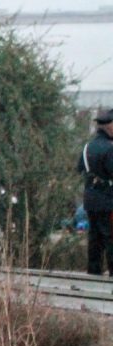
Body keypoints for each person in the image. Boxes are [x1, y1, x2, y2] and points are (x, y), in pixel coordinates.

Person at [79, 108, 113, 275]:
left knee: (94, 238)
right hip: (108, 200)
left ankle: (93, 273)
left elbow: (80, 168)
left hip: (90, 200)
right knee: (110, 237)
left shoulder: (87, 147)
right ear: (109, 126)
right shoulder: (110, 148)